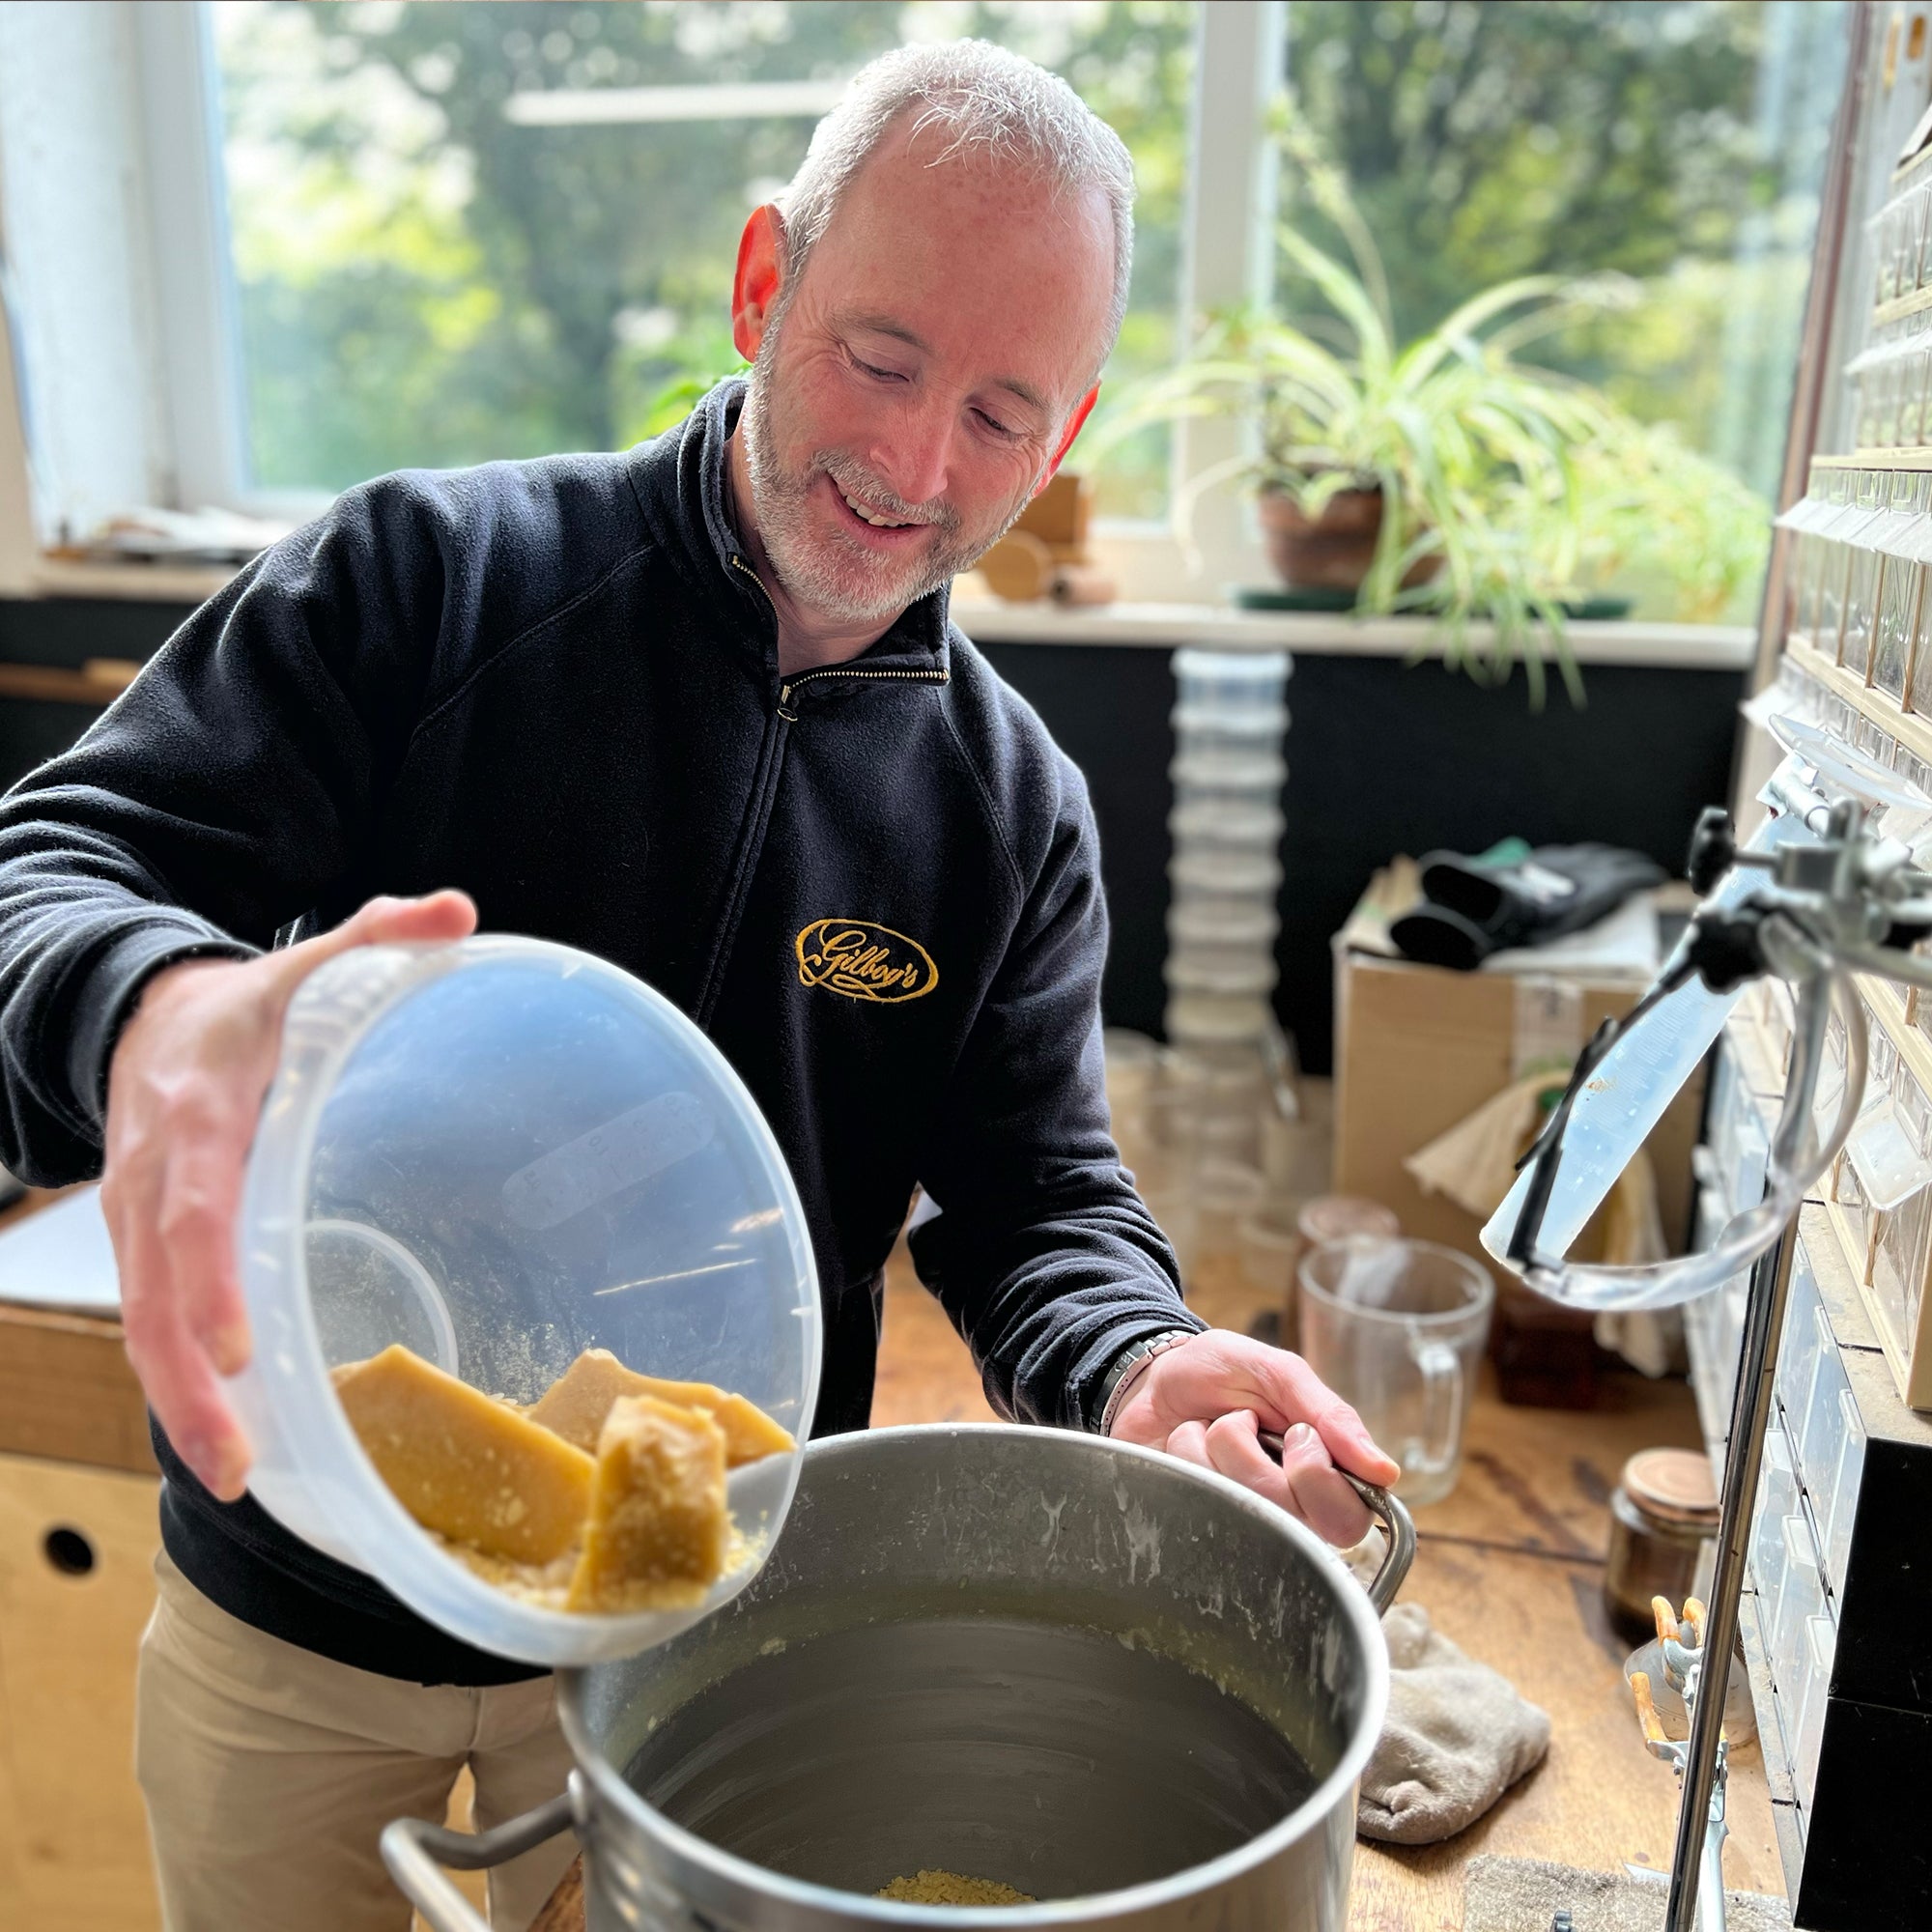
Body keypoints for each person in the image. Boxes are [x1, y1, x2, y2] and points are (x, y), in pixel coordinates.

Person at [0, 38, 1397, 1932]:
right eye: (881, 359)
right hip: (291, 1603)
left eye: (998, 412)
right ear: (764, 283)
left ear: (1065, 441)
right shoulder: (428, 582)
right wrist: (148, 1007)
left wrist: (1138, 1361)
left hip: (696, 1637)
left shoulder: (1014, 817)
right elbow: (53, 867)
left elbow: (1038, 1204)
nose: (913, 468)